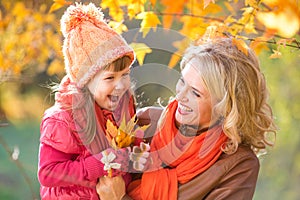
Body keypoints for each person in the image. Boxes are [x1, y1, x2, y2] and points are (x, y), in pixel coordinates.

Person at [96, 36, 277, 199]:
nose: (180, 96)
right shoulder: (145, 122)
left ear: (226, 106)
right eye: (182, 81)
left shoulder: (237, 165)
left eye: (196, 93)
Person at [37, 3, 137, 199]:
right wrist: (98, 164)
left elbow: (128, 144)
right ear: (86, 82)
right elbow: (47, 173)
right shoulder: (62, 119)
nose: (121, 85)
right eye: (110, 78)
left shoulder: (122, 105)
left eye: (125, 74)